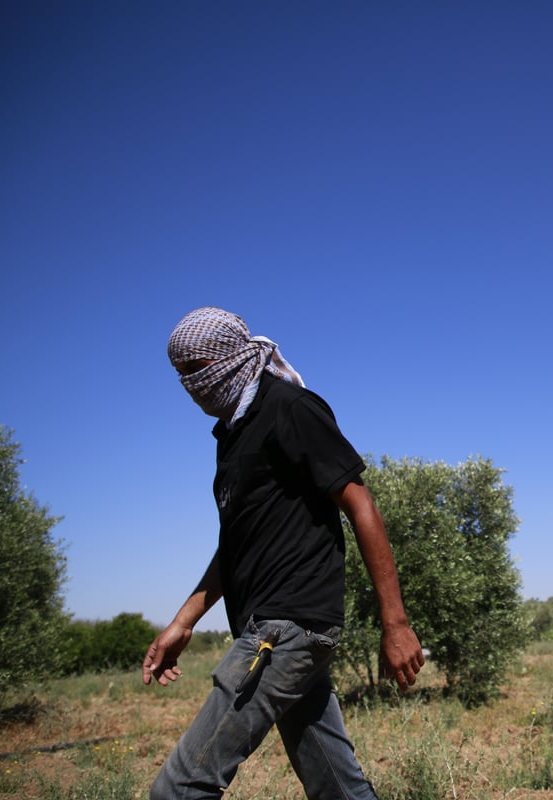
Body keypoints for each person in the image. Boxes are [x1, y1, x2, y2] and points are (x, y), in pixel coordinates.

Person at [144, 306, 423, 800]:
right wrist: (184, 621)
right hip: (276, 628)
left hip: (286, 627)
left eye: (194, 369)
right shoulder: (232, 433)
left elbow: (360, 505)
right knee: (337, 786)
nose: (189, 385)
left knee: (180, 789)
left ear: (227, 360)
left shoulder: (289, 407)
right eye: (179, 375)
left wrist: (395, 625)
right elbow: (235, 545)